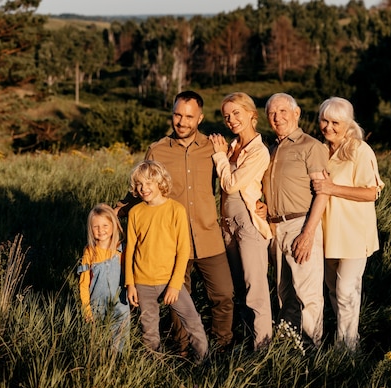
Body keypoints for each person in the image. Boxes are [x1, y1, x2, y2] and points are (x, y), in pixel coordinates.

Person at [116, 91, 234, 353]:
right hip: (171, 243)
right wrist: (119, 209)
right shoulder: (157, 150)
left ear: (200, 118)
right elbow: (142, 186)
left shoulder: (213, 148)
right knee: (177, 301)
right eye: (177, 114)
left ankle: (222, 348)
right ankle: (181, 352)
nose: (182, 121)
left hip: (208, 236)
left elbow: (233, 181)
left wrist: (259, 202)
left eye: (189, 116)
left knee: (224, 294)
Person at [313, 97, 385, 351]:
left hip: (354, 233)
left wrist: (332, 188)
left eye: (335, 122)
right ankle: (344, 339)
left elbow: (371, 192)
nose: (328, 127)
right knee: (333, 290)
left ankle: (348, 348)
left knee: (345, 290)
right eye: (324, 120)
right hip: (327, 233)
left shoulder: (359, 150)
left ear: (348, 124)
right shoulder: (320, 150)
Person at [261, 92, 329, 348]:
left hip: (301, 224)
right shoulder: (271, 149)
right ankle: (291, 347)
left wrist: (308, 233)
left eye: (282, 111)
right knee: (284, 292)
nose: (277, 117)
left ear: (296, 113)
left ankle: (314, 349)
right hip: (276, 227)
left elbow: (322, 193)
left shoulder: (311, 146)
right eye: (272, 113)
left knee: (308, 293)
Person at [125, 160, 209, 362]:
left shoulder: (176, 210)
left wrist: (174, 284)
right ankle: (155, 366)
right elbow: (130, 250)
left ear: (160, 183)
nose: (143, 189)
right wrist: (130, 284)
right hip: (142, 282)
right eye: (139, 185)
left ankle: (203, 361)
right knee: (149, 328)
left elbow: (183, 250)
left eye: (148, 183)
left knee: (192, 321)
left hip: (171, 281)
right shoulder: (135, 212)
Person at [208, 92, 273, 350]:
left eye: (236, 113)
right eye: (226, 116)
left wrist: (220, 156)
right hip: (227, 223)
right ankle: (247, 341)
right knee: (239, 288)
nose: (231, 120)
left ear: (251, 114)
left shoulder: (259, 151)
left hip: (247, 222)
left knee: (255, 287)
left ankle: (263, 347)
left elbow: (231, 183)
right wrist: (224, 153)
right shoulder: (233, 147)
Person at [77, 203, 130, 353]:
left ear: (113, 225)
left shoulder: (122, 250)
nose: (101, 230)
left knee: (119, 343)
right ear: (90, 229)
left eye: (105, 225)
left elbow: (131, 275)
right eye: (96, 227)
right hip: (97, 306)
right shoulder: (89, 252)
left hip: (121, 304)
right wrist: (86, 309)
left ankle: (117, 365)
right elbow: (83, 283)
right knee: (97, 342)